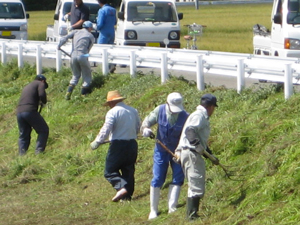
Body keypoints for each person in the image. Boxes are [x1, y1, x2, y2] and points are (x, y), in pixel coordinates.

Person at [140, 92, 189, 220]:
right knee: (158, 177)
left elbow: (187, 136)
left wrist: (180, 150)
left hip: (178, 152)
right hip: (161, 150)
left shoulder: (185, 116)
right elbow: (146, 123)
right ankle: (153, 210)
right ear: (167, 104)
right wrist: (145, 129)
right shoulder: (159, 110)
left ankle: (172, 207)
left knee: (178, 177)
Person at [90, 90, 141, 202]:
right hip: (132, 143)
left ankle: (121, 187)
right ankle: (126, 197)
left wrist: (98, 141)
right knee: (128, 170)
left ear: (111, 103)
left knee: (110, 171)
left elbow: (106, 129)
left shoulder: (113, 112)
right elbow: (138, 127)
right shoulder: (133, 111)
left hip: (118, 145)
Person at [175, 93, 219, 221]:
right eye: (214, 108)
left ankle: (192, 214)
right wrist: (196, 145)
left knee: (194, 183)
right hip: (191, 152)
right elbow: (190, 131)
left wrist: (210, 155)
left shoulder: (199, 116)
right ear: (210, 107)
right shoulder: (199, 116)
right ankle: (192, 216)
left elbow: (199, 139)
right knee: (196, 183)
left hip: (192, 152)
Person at [57, 21, 95, 100]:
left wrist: (59, 45)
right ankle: (83, 95)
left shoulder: (75, 32)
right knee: (87, 77)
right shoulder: (91, 36)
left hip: (73, 56)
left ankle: (68, 92)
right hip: (83, 56)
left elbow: (65, 38)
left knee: (75, 76)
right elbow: (88, 50)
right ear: (90, 28)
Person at [16, 75, 49, 156]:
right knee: (43, 130)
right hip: (29, 111)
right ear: (43, 81)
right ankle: (39, 153)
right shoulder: (40, 83)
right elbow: (41, 94)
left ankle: (22, 156)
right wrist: (44, 102)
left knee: (24, 135)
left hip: (19, 112)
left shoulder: (27, 86)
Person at [96, 0, 117, 73]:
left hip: (104, 33)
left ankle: (104, 69)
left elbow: (100, 23)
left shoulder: (102, 10)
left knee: (101, 50)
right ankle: (111, 65)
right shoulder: (113, 10)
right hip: (112, 32)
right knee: (110, 50)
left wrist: (96, 27)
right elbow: (115, 22)